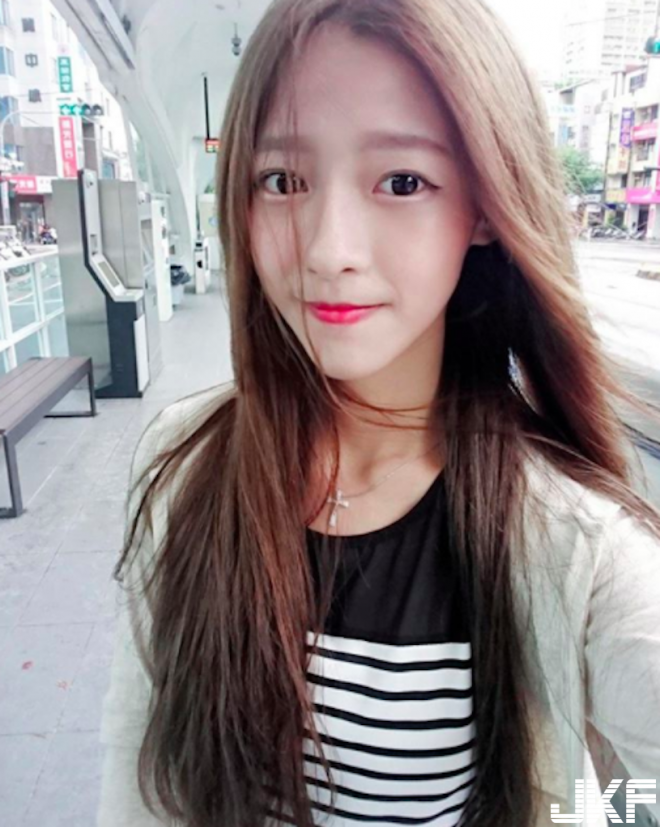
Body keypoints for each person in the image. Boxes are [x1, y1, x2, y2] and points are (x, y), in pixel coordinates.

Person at [97, 1, 660, 825]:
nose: (330, 249)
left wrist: (589, 810)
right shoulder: (185, 459)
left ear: (483, 207)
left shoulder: (572, 540)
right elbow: (137, 760)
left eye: (402, 182)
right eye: (283, 181)